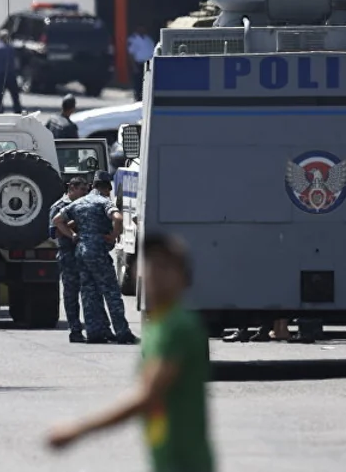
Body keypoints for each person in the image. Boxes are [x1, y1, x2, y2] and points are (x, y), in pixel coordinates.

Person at [47, 232, 215, 472]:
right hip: (167, 456)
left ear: (184, 278)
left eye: (166, 266)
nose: (156, 272)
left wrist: (79, 429)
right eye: (150, 263)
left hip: (185, 462)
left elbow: (148, 395)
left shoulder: (177, 326)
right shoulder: (158, 324)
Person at [53, 171, 138, 345]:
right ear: (107, 188)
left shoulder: (80, 203)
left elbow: (57, 221)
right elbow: (118, 217)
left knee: (89, 292)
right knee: (111, 292)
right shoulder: (103, 201)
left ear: (92, 186)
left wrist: (73, 235)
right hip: (98, 251)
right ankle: (122, 332)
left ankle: (94, 333)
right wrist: (115, 234)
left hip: (81, 251)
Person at [50, 177, 90, 343]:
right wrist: (74, 225)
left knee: (90, 293)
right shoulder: (60, 206)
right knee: (71, 294)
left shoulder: (86, 204)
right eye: (82, 189)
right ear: (71, 188)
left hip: (86, 254)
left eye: (86, 190)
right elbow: (55, 232)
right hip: (69, 254)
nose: (84, 193)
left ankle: (95, 328)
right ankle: (75, 329)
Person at [0, 29, 23, 114]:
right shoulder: (11, 48)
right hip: (10, 74)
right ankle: (18, 111)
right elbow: (16, 62)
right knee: (15, 95)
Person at [128, 26, 155, 102]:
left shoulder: (148, 39)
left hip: (148, 62)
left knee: (148, 80)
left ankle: (146, 97)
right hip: (138, 63)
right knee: (138, 81)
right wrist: (134, 66)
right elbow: (131, 53)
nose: (142, 30)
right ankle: (138, 97)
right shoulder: (133, 39)